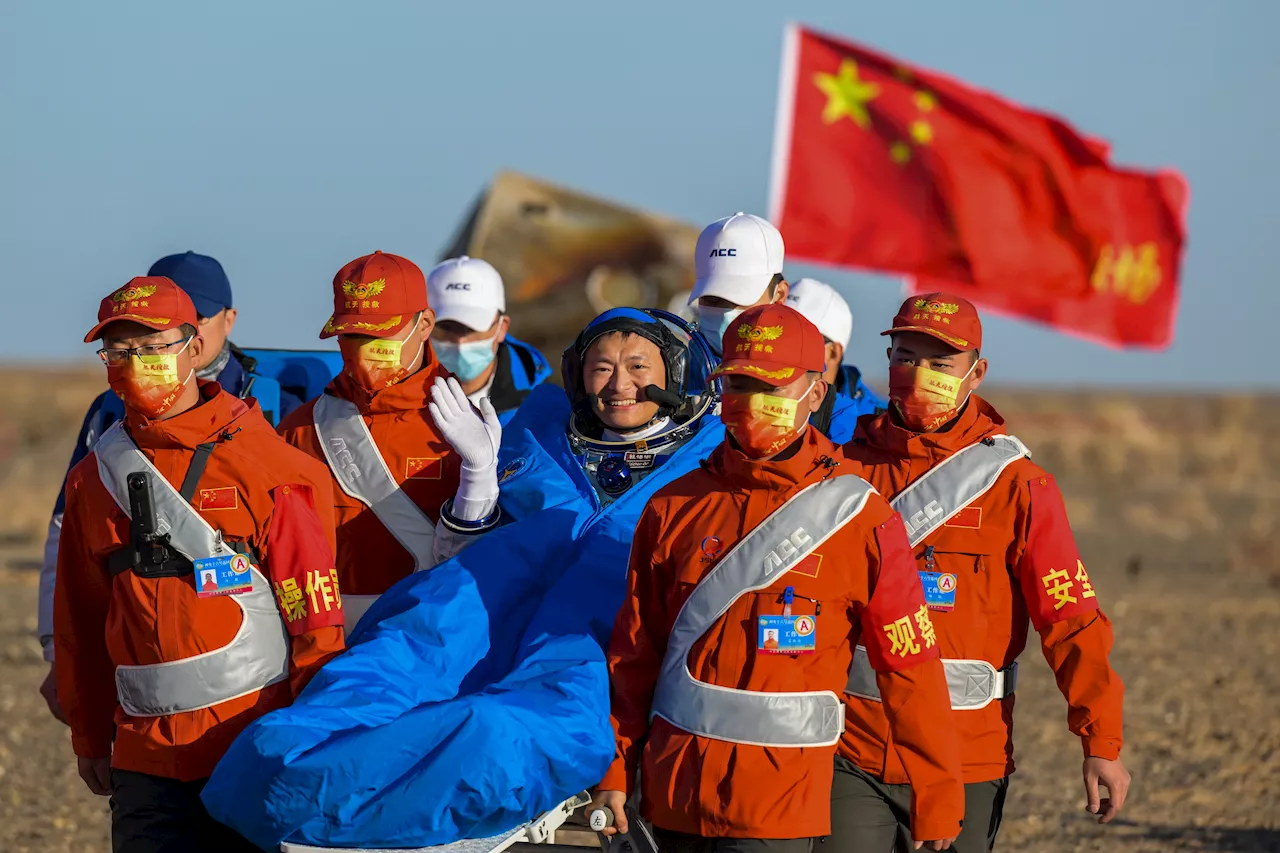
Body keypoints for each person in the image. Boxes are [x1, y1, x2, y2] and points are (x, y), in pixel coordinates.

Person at [201, 307, 727, 851]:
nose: (619, 385)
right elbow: (468, 550)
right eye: (601, 367)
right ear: (576, 375)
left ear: (680, 374)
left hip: (583, 649)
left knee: (494, 732)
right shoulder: (541, 433)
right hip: (463, 618)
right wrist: (479, 476)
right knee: (346, 701)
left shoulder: (712, 466)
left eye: (639, 367)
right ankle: (304, 790)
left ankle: (352, 813)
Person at [595, 302, 964, 853]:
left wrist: (937, 792)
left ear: (815, 394)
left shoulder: (860, 518)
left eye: (770, 385)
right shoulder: (672, 507)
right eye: (738, 382)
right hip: (670, 798)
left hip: (781, 809)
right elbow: (632, 656)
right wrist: (614, 774)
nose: (750, 402)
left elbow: (909, 667)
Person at [54, 276, 345, 853]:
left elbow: (313, 616)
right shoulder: (93, 478)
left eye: (153, 346)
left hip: (254, 749)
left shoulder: (264, 463)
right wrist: (88, 734)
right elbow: (80, 622)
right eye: (119, 350)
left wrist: (314, 740)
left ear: (194, 347)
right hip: (145, 763)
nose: (136, 363)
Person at [832, 294, 1129, 853]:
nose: (918, 376)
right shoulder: (841, 471)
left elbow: (1073, 623)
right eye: (905, 357)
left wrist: (1101, 743)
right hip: (850, 752)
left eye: (940, 365)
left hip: (967, 754)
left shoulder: (1018, 487)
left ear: (977, 372)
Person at [37, 250, 310, 724]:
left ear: (226, 320)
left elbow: (305, 560)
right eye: (130, 341)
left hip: (255, 693)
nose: (144, 355)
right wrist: (55, 648)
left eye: (196, 316)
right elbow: (70, 534)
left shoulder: (275, 408)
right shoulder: (109, 414)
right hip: (145, 695)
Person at [276, 250, 488, 634]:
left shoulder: (470, 430)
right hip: (322, 650)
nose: (362, 349)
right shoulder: (297, 430)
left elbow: (491, 562)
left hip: (429, 643)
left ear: (424, 324)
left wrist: (481, 472)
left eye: (379, 333)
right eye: (352, 334)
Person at [426, 255, 551, 423]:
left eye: (472, 329)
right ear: (423, 326)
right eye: (446, 327)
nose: (460, 342)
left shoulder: (544, 407)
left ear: (501, 327)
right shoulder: (392, 396)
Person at [785, 277, 886, 442]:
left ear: (833, 352)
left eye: (797, 339)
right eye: (775, 333)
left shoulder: (878, 426)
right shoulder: (740, 397)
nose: (779, 347)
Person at [689, 212, 791, 356]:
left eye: (739, 298)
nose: (725, 314)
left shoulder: (799, 375)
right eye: (713, 299)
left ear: (779, 295)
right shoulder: (678, 369)